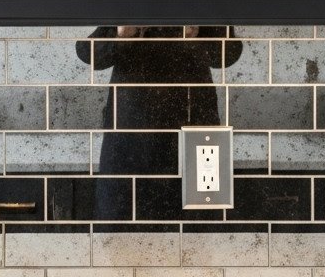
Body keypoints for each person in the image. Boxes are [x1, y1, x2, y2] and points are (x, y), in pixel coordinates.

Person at [76, 26, 242, 174]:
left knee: (198, 194)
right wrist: (122, 35)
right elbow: (88, 53)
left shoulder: (199, 4)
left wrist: (196, 37)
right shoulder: (130, 5)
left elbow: (228, 54)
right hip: (130, 132)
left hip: (192, 124)